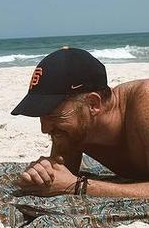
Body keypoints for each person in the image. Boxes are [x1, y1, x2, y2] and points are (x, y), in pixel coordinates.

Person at [11, 46, 149, 197]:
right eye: (42, 115)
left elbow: (69, 184)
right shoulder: (75, 129)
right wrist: (41, 175)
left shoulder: (143, 104)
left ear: (93, 104)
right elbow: (61, 178)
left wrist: (78, 186)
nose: (44, 128)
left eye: (52, 114)